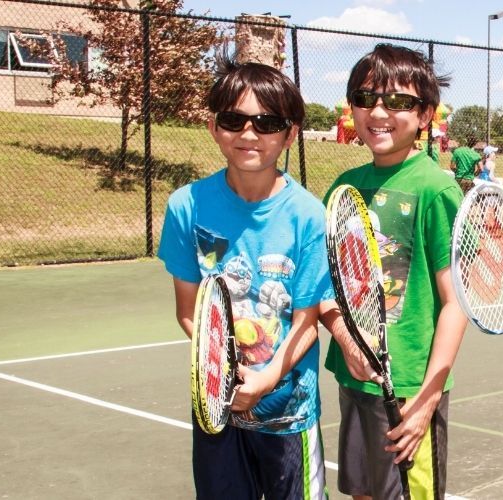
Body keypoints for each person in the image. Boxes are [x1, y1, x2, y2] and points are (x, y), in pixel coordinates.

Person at [157, 61, 336, 499]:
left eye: (268, 122)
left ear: (290, 134)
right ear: (214, 127)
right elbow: (188, 312)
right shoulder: (187, 205)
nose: (249, 134)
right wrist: (223, 371)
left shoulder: (309, 214)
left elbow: (306, 323)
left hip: (288, 413)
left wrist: (267, 377)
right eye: (234, 120)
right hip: (216, 407)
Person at [324, 43, 467, 500]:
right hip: (355, 379)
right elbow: (328, 287)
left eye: (398, 101)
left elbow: (455, 303)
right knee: (363, 492)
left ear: (425, 114)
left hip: (409, 388)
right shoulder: (343, 187)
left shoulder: (435, 187)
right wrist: (346, 341)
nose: (379, 111)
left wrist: (426, 401)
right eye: (365, 99)